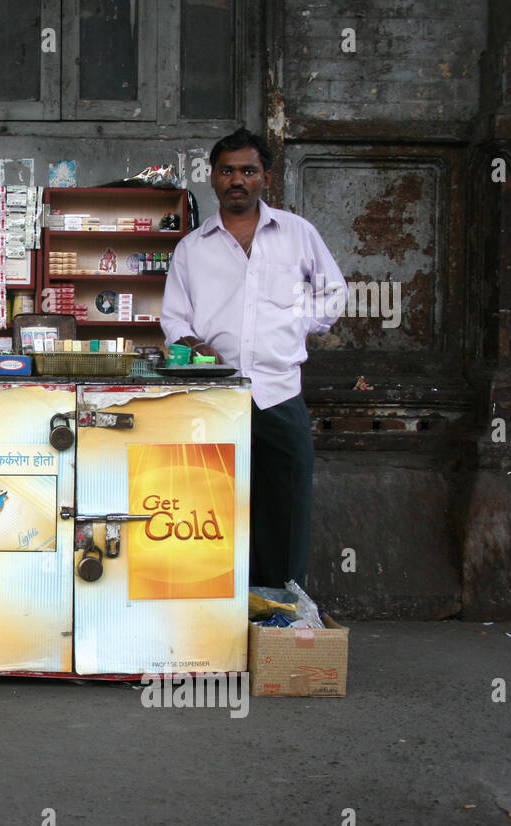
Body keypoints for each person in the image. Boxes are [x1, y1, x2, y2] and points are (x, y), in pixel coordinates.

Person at [160, 128, 346, 589]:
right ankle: (213, 605)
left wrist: (295, 324)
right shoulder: (191, 249)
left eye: (248, 170)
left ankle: (278, 612)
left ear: (265, 176)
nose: (237, 180)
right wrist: (192, 344)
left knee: (284, 508)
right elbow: (174, 320)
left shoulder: (297, 234)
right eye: (227, 171)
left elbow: (333, 293)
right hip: (212, 397)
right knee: (208, 504)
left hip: (278, 394)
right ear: (213, 178)